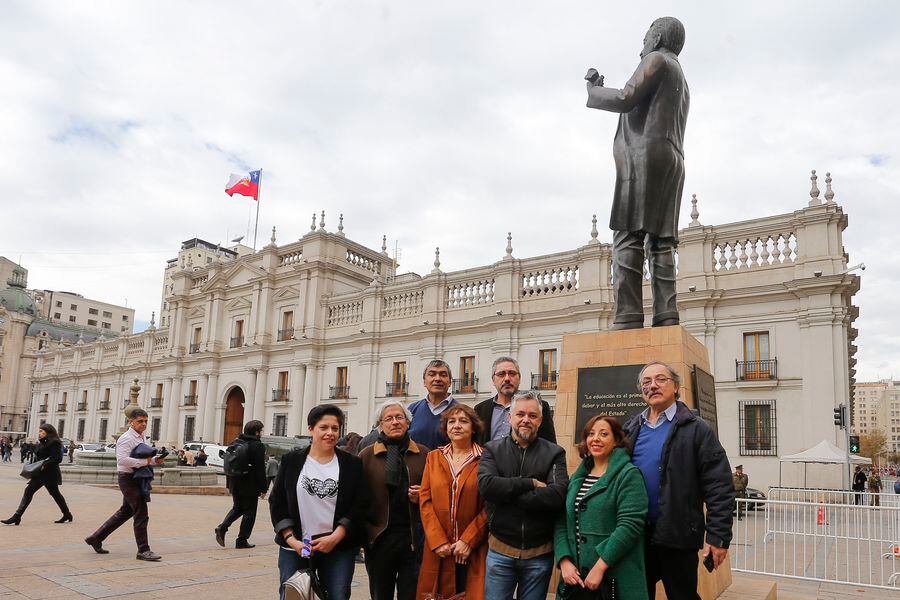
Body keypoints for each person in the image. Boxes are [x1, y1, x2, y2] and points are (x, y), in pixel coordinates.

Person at [585, 17, 689, 329]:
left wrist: (594, 90)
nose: (641, 46)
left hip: (643, 157)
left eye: (645, 38)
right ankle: (666, 314)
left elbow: (626, 97)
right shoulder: (681, 77)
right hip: (671, 159)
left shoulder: (657, 60)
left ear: (657, 38)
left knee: (628, 235)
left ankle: (628, 315)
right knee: (660, 240)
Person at [623, 361, 733, 600]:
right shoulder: (631, 429)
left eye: (660, 379)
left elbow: (720, 486)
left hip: (678, 536)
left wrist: (718, 536)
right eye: (646, 382)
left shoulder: (697, 429)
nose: (652, 386)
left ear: (675, 386)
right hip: (636, 536)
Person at [269, 404, 368, 600]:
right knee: (293, 595)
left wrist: (336, 536)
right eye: (324, 427)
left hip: (338, 547)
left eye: (335, 428)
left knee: (337, 595)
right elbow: (277, 501)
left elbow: (360, 504)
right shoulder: (292, 461)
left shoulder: (352, 464)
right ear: (311, 429)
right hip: (296, 547)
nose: (330, 433)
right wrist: (291, 540)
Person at [477, 390, 569, 600]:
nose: (526, 420)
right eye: (520, 414)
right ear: (510, 417)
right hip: (500, 550)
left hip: (539, 554)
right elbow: (486, 486)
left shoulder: (555, 453)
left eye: (532, 415)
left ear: (541, 420)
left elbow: (557, 494)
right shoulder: (492, 450)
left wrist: (508, 495)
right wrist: (530, 483)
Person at [555, 416, 648, 600]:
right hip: (575, 581)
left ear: (616, 441)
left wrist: (600, 566)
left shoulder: (628, 475)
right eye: (591, 434)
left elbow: (630, 526)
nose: (595, 438)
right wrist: (564, 560)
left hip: (613, 579)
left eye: (604, 434)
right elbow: (561, 521)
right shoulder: (577, 478)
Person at [359, 400, 429, 600]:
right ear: (380, 425)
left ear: (408, 423)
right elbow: (358, 500)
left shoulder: (424, 454)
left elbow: (436, 493)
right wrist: (365, 536)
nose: (395, 422)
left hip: (413, 539)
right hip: (380, 539)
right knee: (381, 595)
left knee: (411, 594)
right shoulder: (367, 455)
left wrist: (423, 494)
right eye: (388, 419)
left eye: (400, 417)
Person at [418, 404, 488, 600]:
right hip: (439, 549)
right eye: (452, 421)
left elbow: (491, 505)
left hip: (472, 548)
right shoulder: (433, 457)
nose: (457, 426)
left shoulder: (486, 458)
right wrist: (438, 541)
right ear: (445, 427)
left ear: (473, 427)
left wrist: (468, 540)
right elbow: (425, 500)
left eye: (463, 421)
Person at [84, 409, 165, 561]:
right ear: (131, 422)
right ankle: (143, 550)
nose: (144, 424)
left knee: (125, 512)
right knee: (141, 512)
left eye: (146, 421)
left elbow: (143, 458)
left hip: (137, 478)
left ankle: (96, 538)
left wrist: (155, 461)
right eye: (140, 421)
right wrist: (145, 462)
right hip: (127, 478)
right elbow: (121, 460)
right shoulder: (126, 438)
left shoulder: (142, 437)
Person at [475, 356, 556, 444]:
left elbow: (549, 445)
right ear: (493, 380)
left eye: (512, 373)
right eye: (501, 374)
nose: (507, 379)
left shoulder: (539, 407)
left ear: (519, 378)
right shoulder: (480, 409)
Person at [2, 424, 72, 525]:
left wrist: (44, 465)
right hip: (40, 473)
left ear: (48, 432)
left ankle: (17, 516)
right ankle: (67, 514)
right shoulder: (42, 443)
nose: (39, 433)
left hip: (49, 473)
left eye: (42, 431)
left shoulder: (54, 442)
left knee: (30, 491)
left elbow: (57, 458)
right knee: (55, 494)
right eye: (39, 431)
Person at [215, 420, 267, 549]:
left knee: (237, 508)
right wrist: (263, 488)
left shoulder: (236, 442)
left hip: (234, 481)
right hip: (249, 484)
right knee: (250, 512)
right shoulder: (257, 445)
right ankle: (242, 540)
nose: (261, 433)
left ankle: (222, 527)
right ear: (256, 432)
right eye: (261, 430)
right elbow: (260, 468)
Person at [408, 359, 458, 449]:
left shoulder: (461, 411)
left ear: (450, 382)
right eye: (432, 374)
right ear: (424, 382)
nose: (437, 379)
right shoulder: (412, 410)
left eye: (443, 375)